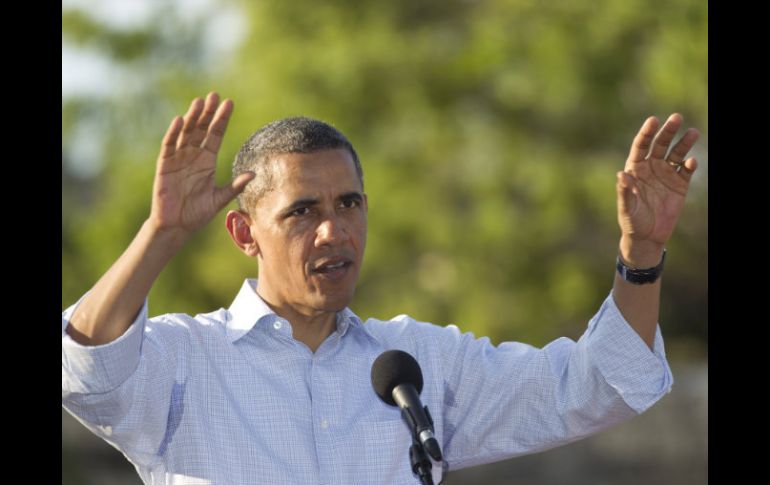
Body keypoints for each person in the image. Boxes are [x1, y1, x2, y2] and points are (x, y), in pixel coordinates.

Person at [62, 92, 700, 484]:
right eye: (302, 211)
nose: (333, 231)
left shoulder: (412, 365)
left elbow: (596, 386)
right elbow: (84, 367)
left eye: (349, 204)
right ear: (243, 232)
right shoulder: (184, 362)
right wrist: (162, 234)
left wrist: (640, 254)